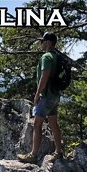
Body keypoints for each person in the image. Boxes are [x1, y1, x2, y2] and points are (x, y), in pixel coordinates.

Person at [17, 32, 63, 164]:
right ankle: (58, 152)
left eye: (42, 41)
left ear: (48, 42)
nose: (41, 44)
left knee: (37, 125)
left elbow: (44, 76)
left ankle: (33, 155)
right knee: (54, 124)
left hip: (46, 96)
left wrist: (37, 95)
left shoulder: (46, 57)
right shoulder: (57, 56)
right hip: (55, 95)